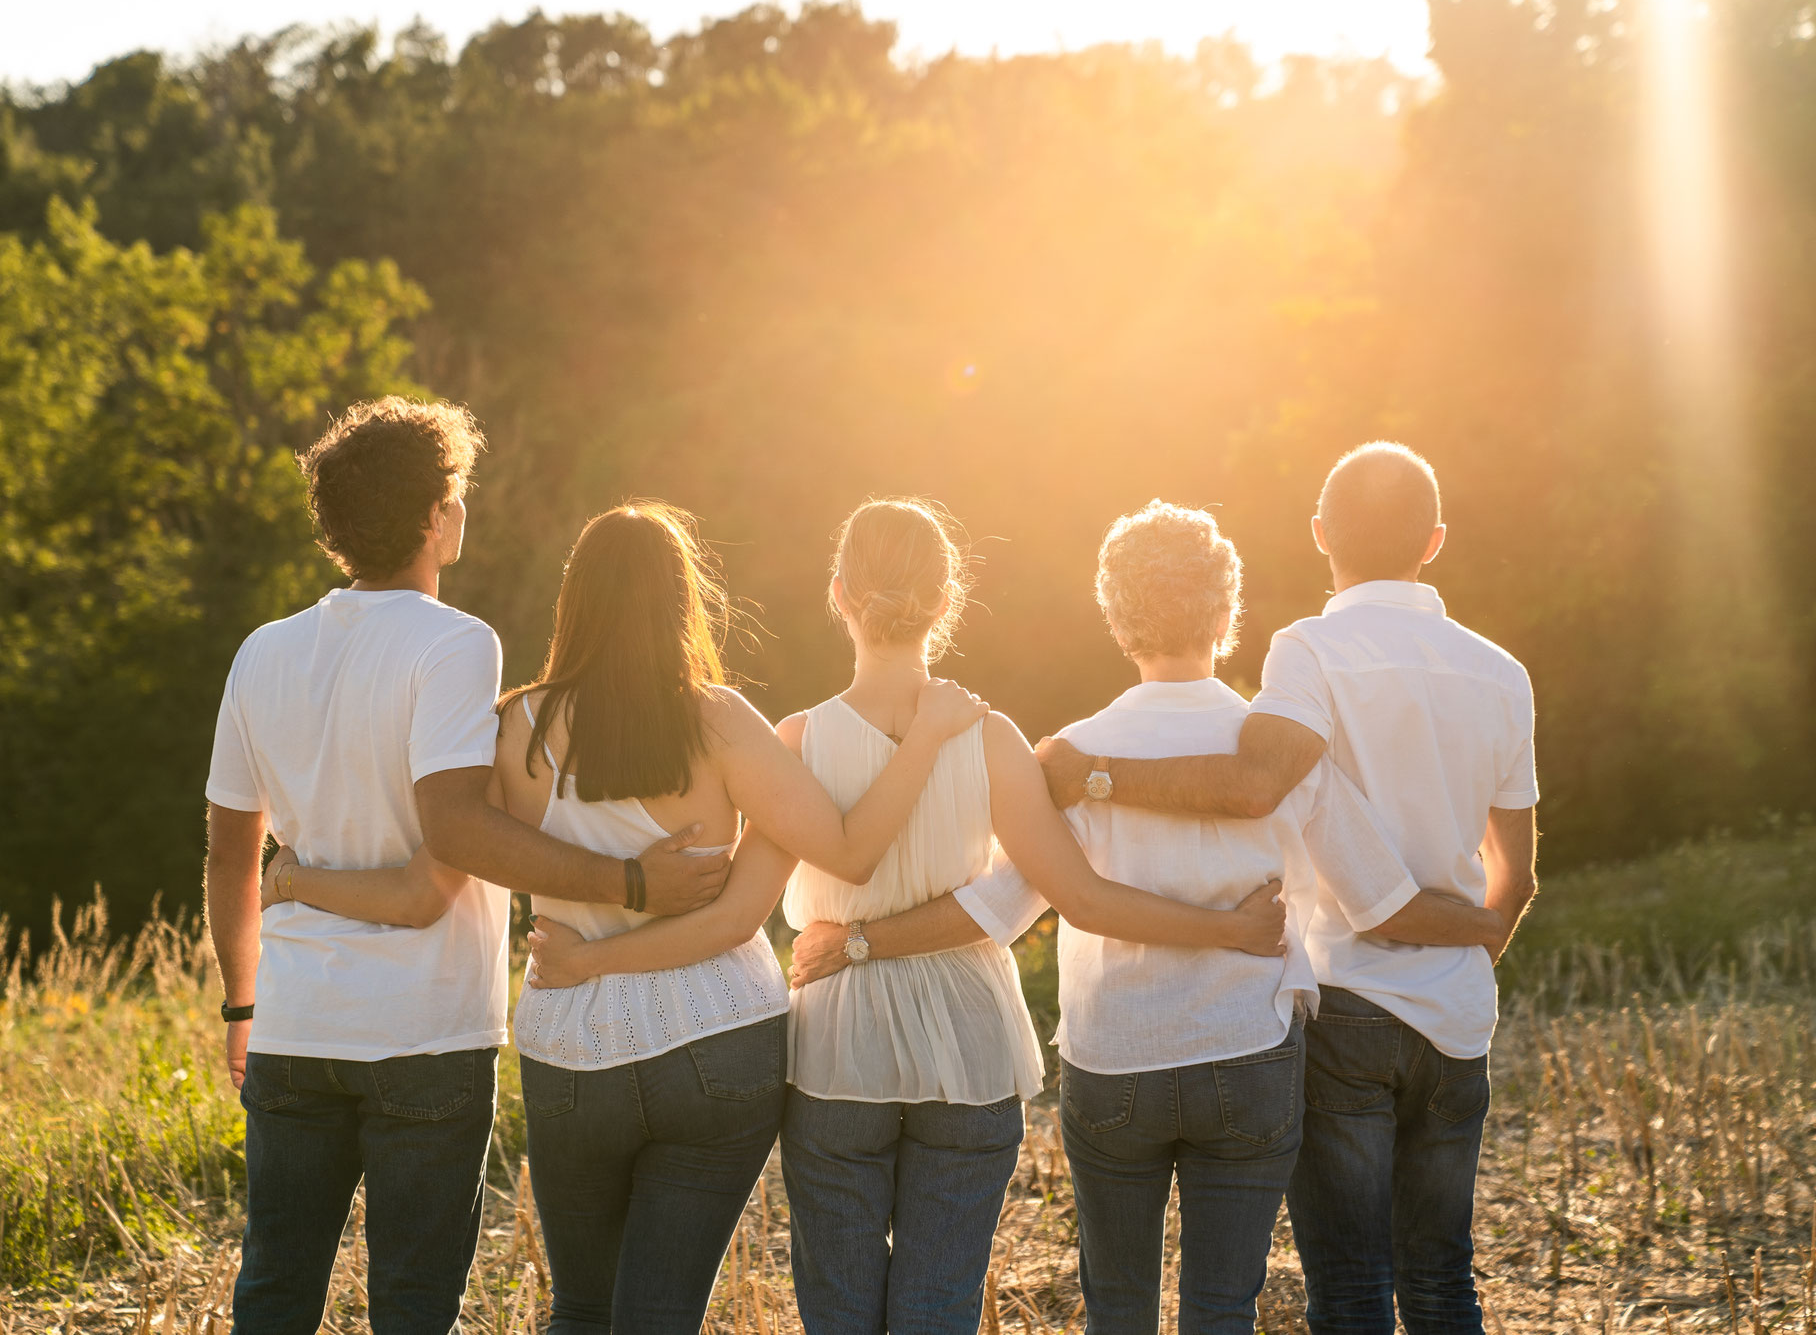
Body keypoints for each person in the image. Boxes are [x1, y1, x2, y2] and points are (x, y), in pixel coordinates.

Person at [527, 497, 1295, 1335]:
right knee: (936, 1312)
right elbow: (1081, 898)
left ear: (839, 596)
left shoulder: (795, 739)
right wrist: (1227, 928)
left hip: (837, 1051)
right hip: (970, 1048)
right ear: (946, 600)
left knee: (841, 1313)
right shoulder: (995, 738)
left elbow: (745, 906)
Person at [266, 500, 988, 1334]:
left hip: (575, 1052)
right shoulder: (718, 719)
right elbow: (849, 851)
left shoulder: (514, 728)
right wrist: (922, 741)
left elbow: (441, 865)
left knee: (579, 1305)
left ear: (575, 603)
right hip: (719, 1043)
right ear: (684, 603)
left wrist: (300, 875)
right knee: (658, 1315)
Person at [786, 500, 1426, 1335]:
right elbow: (1380, 899)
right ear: (1227, 613)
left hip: (1111, 1056)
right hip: (1246, 1047)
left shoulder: (1070, 753)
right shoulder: (1279, 746)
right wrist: (1483, 919)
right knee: (1222, 1307)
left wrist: (859, 943)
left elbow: (1000, 905)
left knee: (1116, 1312)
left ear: (1116, 621)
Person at [203, 399, 731, 1335]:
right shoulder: (454, 643)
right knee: (413, 1305)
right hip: (425, 1030)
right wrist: (633, 882)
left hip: (294, 1021)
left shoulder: (260, 651)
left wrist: (244, 1004)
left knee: (274, 1292)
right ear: (438, 518)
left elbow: (231, 852)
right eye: (458, 496)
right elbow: (454, 832)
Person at [1034, 444, 1540, 1335]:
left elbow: (1254, 785)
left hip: (1326, 1012)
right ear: (1435, 540)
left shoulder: (1303, 654)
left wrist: (1096, 776)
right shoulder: (1502, 672)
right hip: (1444, 1015)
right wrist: (1479, 932)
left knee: (1340, 1289)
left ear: (1319, 536)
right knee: (1440, 1279)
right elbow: (1514, 873)